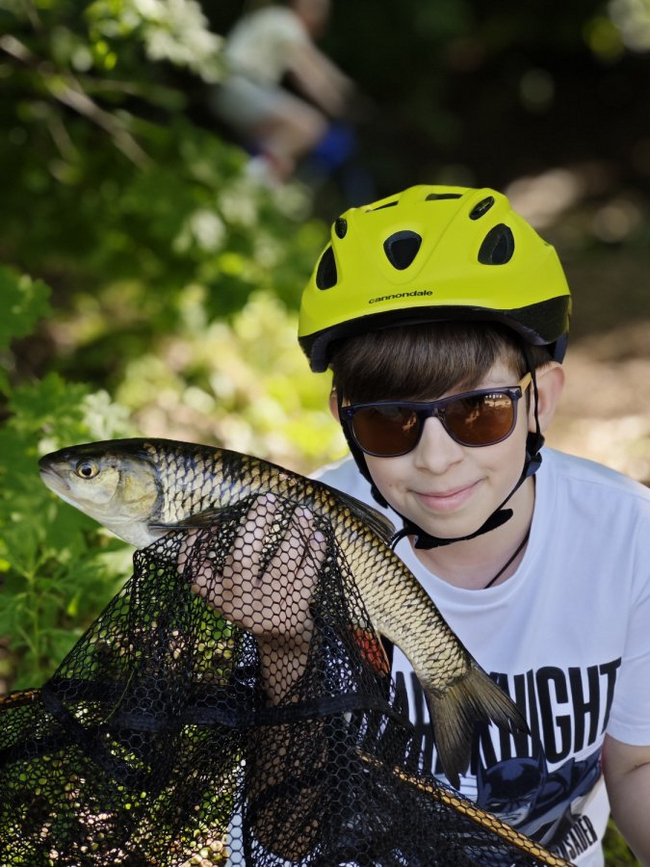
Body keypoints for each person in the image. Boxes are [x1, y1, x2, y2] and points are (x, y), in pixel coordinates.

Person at [294, 184, 650, 866]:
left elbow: (635, 764)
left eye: (477, 413)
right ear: (343, 417)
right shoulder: (304, 538)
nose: (435, 459)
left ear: (540, 396)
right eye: (387, 421)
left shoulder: (628, 539)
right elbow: (288, 822)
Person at [211, 0, 356, 184]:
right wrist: (335, 104)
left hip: (231, 86)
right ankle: (252, 179)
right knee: (310, 125)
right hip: (242, 87)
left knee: (282, 146)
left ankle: (257, 173)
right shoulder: (289, 25)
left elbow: (317, 61)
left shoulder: (278, 19)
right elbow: (305, 72)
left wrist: (342, 83)